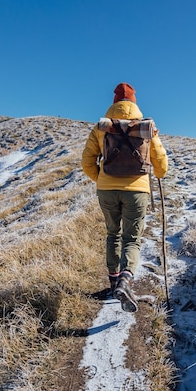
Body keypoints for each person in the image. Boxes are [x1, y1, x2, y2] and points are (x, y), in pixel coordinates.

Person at [81, 83, 168, 312]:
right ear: (134, 102)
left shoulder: (102, 127)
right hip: (137, 191)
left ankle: (113, 282)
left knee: (113, 234)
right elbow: (161, 164)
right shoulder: (146, 128)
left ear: (115, 102)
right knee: (132, 239)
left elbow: (86, 161)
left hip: (107, 189)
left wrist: (101, 178)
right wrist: (157, 173)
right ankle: (126, 280)